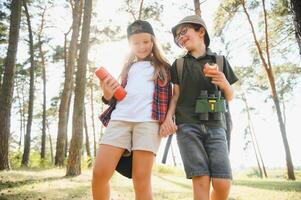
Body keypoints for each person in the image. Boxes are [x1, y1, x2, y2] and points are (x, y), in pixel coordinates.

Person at [160, 15, 238, 200]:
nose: (181, 37)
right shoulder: (178, 65)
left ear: (201, 31)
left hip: (216, 124)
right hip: (187, 125)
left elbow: (230, 96)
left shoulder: (219, 61)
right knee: (201, 178)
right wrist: (168, 118)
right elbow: (175, 95)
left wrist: (225, 83)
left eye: (184, 31)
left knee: (222, 182)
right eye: (178, 36)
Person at [92, 20, 172, 200]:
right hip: (119, 119)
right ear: (130, 44)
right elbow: (113, 97)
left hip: (149, 123)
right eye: (136, 43)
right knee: (99, 174)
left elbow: (173, 96)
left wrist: (169, 119)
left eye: (146, 41)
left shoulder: (164, 67)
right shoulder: (128, 67)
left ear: (153, 41)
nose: (142, 46)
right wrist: (106, 91)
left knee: (141, 180)